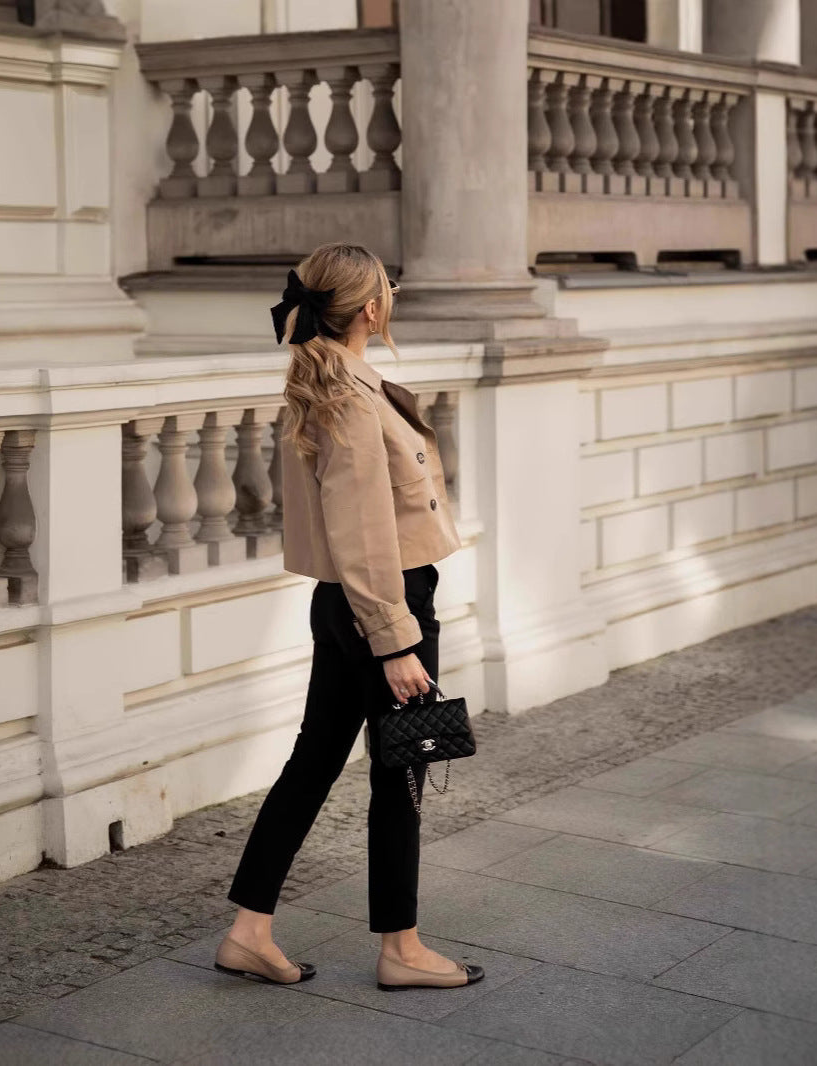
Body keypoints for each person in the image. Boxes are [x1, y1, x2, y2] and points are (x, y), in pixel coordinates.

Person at [213, 242, 483, 992]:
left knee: (314, 762)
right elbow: (364, 531)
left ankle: (248, 932)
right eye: (388, 288)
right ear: (370, 307)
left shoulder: (329, 383)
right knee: (401, 769)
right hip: (384, 601)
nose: (392, 296)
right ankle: (402, 950)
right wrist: (396, 642)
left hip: (344, 601)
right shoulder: (352, 398)